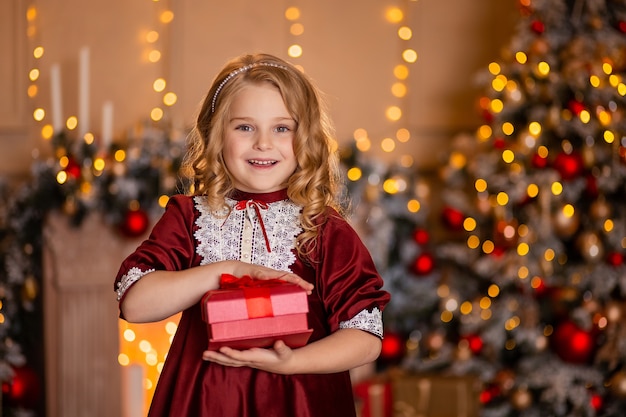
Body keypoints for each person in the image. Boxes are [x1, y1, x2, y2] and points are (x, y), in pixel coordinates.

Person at [114, 52, 390, 417]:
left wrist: (292, 362)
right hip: (204, 402)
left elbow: (366, 338)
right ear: (216, 135)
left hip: (300, 401)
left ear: (305, 137)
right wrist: (224, 271)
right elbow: (134, 304)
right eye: (244, 127)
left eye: (282, 128)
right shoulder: (188, 217)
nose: (263, 143)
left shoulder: (324, 229)